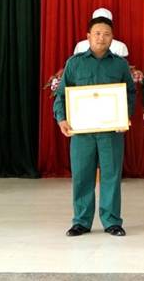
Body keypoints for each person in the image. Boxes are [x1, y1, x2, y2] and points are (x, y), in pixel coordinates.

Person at [54, 16, 135, 237]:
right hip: (82, 133)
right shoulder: (74, 63)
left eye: (106, 34)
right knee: (82, 176)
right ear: (88, 36)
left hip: (111, 132)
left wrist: (125, 116)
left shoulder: (120, 64)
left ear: (112, 38)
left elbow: (130, 93)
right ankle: (81, 222)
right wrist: (61, 119)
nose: (102, 38)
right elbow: (61, 95)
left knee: (111, 176)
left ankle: (112, 222)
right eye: (97, 33)